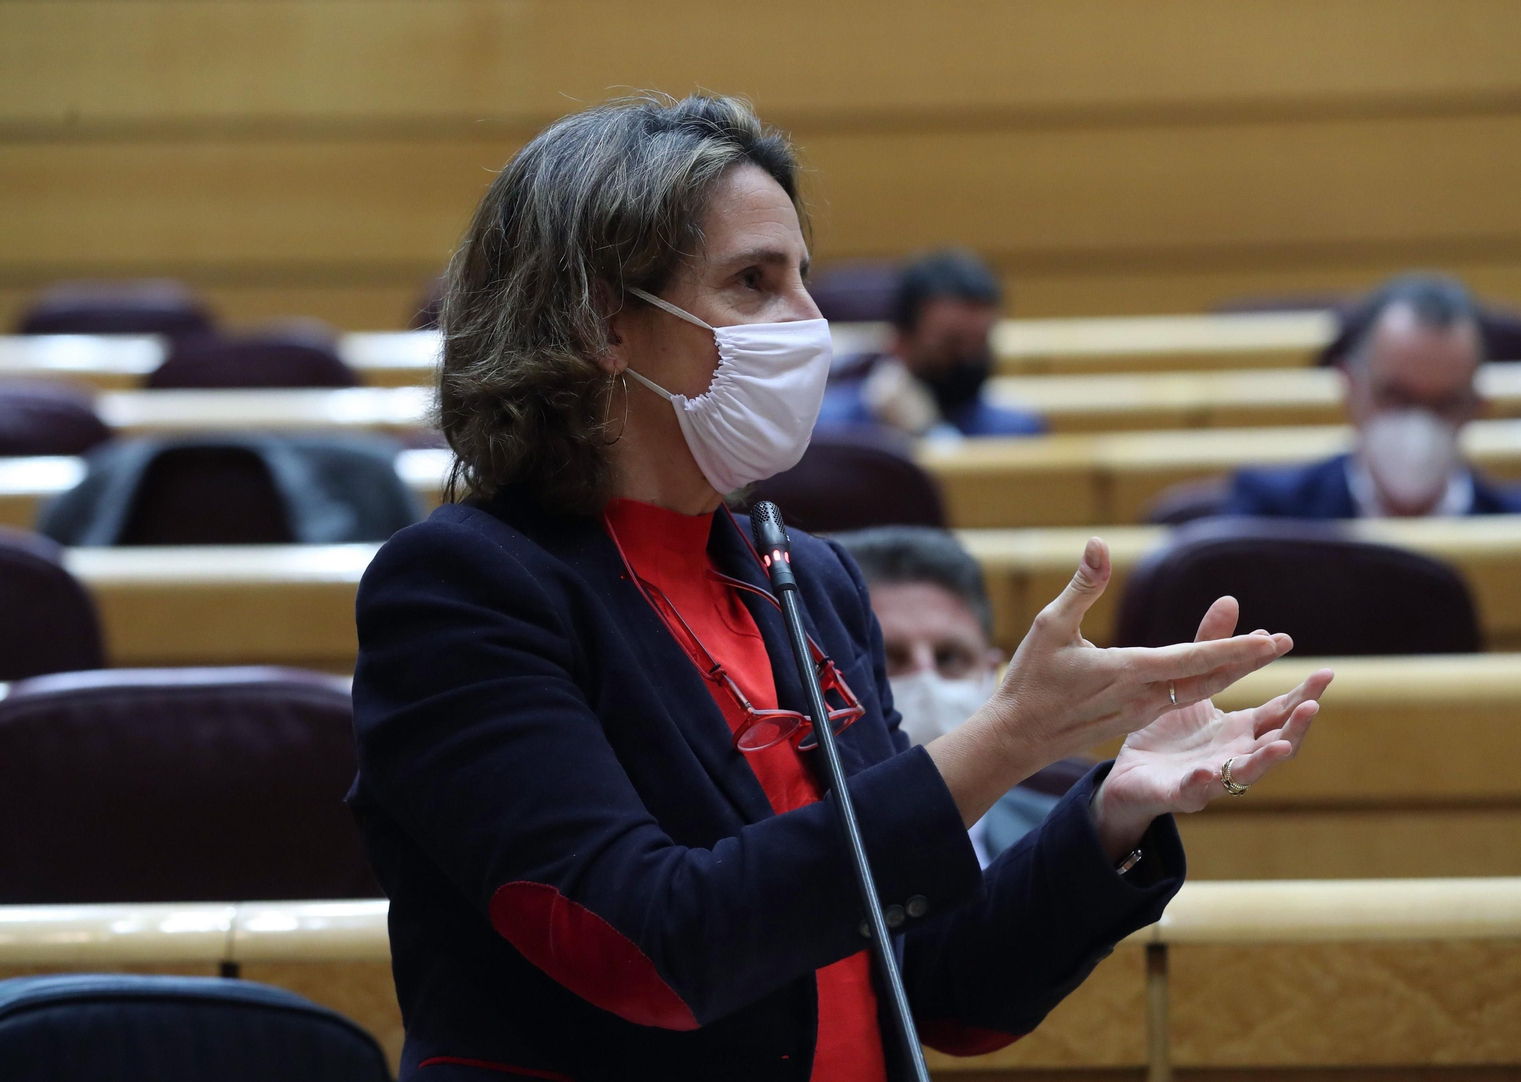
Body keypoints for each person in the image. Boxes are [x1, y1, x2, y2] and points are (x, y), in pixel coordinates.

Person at [350, 94, 1331, 1082]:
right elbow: (651, 945)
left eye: (802, 280)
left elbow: (939, 985)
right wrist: (1005, 739)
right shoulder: (463, 589)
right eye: (753, 282)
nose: (810, 324)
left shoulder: (801, 577)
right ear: (601, 321)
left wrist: (1109, 809)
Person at [834, 525, 1093, 867]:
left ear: (992, 676)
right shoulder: (779, 855)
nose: (925, 680)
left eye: (949, 658)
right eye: (888, 658)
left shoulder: (1068, 841)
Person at [1222, 274, 1521, 518]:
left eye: (1445, 404)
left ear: (1477, 409)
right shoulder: (1270, 513)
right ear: (1350, 389)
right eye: (1396, 398)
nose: (1418, 427)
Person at [817, 250, 1045, 439]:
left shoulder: (1017, 432)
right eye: (951, 343)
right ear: (901, 340)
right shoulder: (831, 429)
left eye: (980, 342)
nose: (969, 357)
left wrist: (929, 433)